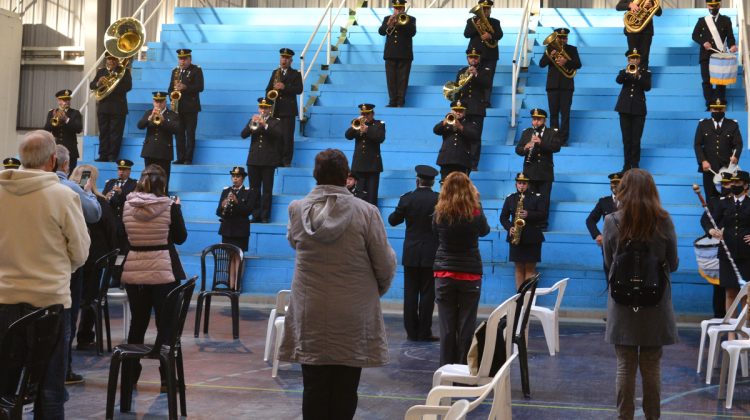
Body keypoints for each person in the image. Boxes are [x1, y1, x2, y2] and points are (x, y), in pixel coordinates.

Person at [279, 149, 396, 420]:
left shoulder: (297, 209)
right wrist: (372, 292)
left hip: (311, 310)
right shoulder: (367, 212)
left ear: (315, 175)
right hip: (353, 312)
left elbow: (294, 242)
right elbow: (385, 263)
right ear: (347, 176)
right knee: (346, 389)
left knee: (314, 387)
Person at [0, 130, 90, 419]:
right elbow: (80, 252)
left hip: (4, 300)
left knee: (4, 386)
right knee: (50, 390)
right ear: (53, 160)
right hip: (49, 303)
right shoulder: (63, 196)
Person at [602, 168, 678, 420]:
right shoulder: (663, 220)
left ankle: (624, 417)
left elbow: (609, 262)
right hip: (655, 303)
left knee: (624, 366)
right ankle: (652, 417)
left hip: (622, 302)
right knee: (652, 365)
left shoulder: (612, 220)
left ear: (624, 190)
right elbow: (673, 263)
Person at [121, 164, 187, 388]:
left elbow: (123, 236)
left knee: (137, 324)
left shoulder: (127, 204)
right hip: (162, 270)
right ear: (164, 183)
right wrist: (177, 210)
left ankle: (130, 376)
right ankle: (166, 378)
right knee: (165, 325)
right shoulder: (169, 205)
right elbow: (180, 238)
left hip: (135, 269)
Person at [54, 145, 101, 384]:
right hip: (66, 266)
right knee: (66, 319)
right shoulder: (70, 188)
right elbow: (94, 214)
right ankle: (64, 371)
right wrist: (89, 192)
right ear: (63, 164)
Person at [432, 171, 490, 366]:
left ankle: (445, 368)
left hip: (444, 272)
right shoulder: (475, 211)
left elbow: (434, 230)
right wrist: (477, 202)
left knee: (446, 326)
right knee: (466, 325)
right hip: (469, 274)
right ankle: (463, 368)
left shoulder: (440, 211)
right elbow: (485, 230)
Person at [388, 165, 440, 342]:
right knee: (427, 294)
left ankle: (411, 331)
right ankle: (424, 331)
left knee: (410, 293)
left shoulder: (407, 198)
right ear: (433, 182)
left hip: (411, 252)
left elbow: (393, 221)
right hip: (431, 252)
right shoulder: (438, 199)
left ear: (417, 181)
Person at [69, 165, 117, 351]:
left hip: (73, 260)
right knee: (90, 300)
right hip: (93, 261)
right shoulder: (100, 203)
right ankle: (85, 336)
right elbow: (111, 232)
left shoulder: (66, 198)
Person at [709, 170, 750, 314]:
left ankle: (745, 331)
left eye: (738, 182)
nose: (734, 185)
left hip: (747, 255)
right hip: (728, 254)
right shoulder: (723, 203)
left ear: (746, 185)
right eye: (732, 182)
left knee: (746, 295)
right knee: (730, 293)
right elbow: (710, 220)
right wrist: (712, 231)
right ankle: (732, 334)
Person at [515, 108, 561, 226]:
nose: (535, 122)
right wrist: (525, 147)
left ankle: (543, 223)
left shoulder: (552, 132)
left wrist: (541, 143)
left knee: (544, 200)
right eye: (534, 119)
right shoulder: (527, 132)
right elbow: (518, 150)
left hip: (545, 173)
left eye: (538, 120)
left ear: (544, 120)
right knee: (530, 200)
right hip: (529, 172)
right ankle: (530, 223)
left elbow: (556, 147)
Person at [500, 172, 546, 290]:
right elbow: (503, 217)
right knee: (518, 268)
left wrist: (528, 214)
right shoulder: (510, 198)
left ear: (528, 185)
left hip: (532, 238)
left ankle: (528, 300)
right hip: (516, 237)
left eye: (524, 183)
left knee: (530, 268)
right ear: (516, 184)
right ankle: (520, 298)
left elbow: (543, 215)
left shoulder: (537, 197)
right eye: (519, 183)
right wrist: (510, 226)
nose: (521, 186)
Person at [241, 97, 283, 223]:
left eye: (265, 108)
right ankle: (255, 214)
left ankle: (265, 216)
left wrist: (264, 125)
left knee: (267, 190)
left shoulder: (276, 122)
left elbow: (279, 135)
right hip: (254, 159)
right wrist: (251, 124)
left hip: (268, 160)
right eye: (261, 107)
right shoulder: (253, 120)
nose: (263, 110)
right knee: (254, 189)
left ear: (270, 109)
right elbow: (243, 135)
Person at [539, 28, 582, 146]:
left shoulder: (572, 49)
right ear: (556, 38)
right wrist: (549, 56)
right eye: (560, 38)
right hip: (552, 86)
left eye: (565, 38)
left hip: (566, 86)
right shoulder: (549, 49)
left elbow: (578, 64)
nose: (563, 40)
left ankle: (563, 139)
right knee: (553, 113)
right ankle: (554, 138)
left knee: (565, 114)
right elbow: (541, 64)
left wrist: (566, 62)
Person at [692, 0, 737, 109]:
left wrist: (732, 46)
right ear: (707, 6)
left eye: (715, 6)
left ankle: (719, 102)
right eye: (710, 6)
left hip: (720, 56)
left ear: (719, 5)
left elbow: (730, 37)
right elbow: (695, 35)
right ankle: (710, 103)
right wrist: (703, 42)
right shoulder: (702, 21)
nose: (712, 8)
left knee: (720, 80)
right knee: (707, 80)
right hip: (705, 56)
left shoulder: (726, 20)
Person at [694, 98, 743, 199]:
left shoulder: (732, 124)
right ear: (711, 109)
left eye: (720, 109)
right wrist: (703, 161)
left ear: (724, 109)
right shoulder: (703, 124)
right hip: (709, 168)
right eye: (715, 109)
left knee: (727, 197)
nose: (717, 111)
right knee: (710, 197)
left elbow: (738, 144)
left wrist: (736, 157)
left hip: (727, 168)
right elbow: (697, 144)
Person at [701, 172, 733, 319]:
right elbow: (705, 220)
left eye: (729, 183)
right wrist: (711, 230)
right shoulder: (715, 202)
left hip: (742, 250)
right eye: (724, 184)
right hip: (721, 250)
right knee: (720, 287)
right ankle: (720, 317)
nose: (727, 186)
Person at [454, 48, 492, 170]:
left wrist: (476, 74)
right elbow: (456, 89)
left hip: (477, 109)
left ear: (479, 58)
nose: (473, 59)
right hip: (462, 109)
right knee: (461, 135)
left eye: (476, 57)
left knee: (475, 137)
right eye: (471, 57)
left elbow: (487, 85)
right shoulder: (461, 71)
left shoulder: (485, 70)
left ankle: (473, 164)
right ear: (467, 58)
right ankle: (461, 161)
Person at [90, 53, 132, 162]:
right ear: (106, 60)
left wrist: (112, 84)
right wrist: (99, 82)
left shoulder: (124, 71)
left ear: (117, 60)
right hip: (103, 107)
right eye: (109, 59)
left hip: (118, 107)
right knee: (103, 132)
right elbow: (92, 85)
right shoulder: (101, 72)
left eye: (113, 59)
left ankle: (113, 156)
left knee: (116, 133)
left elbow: (128, 87)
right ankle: (103, 155)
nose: (111, 61)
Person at [266, 47, 303, 167]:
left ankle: (286, 161)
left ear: (291, 60)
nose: (284, 60)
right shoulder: (275, 72)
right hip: (276, 110)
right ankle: (276, 159)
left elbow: (299, 90)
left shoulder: (296, 74)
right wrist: (269, 101)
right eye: (283, 57)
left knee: (287, 137)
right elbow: (268, 90)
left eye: (287, 58)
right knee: (277, 136)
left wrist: (284, 87)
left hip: (288, 111)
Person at [616, 48, 651, 171]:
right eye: (632, 58)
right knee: (626, 139)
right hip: (624, 108)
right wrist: (627, 72)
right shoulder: (623, 71)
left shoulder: (645, 72)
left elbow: (648, 87)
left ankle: (635, 164)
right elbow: (618, 80)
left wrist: (639, 76)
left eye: (636, 58)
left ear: (640, 60)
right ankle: (626, 165)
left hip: (638, 109)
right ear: (628, 59)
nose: (634, 60)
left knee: (636, 139)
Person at [137, 91, 180, 192]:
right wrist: (149, 118)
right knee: (147, 177)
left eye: (161, 102)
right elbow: (140, 126)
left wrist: (163, 120)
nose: (158, 104)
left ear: (165, 102)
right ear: (153, 102)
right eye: (156, 102)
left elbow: (176, 129)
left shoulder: (172, 115)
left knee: (163, 178)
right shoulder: (148, 112)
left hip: (164, 152)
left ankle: (163, 197)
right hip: (149, 151)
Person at [344, 103, 386, 206]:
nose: (365, 116)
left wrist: (368, 130)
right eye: (363, 114)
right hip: (358, 165)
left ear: (372, 114)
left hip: (373, 166)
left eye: (367, 114)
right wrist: (356, 125)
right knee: (357, 197)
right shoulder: (357, 123)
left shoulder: (379, 124)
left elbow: (380, 138)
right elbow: (347, 136)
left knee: (371, 198)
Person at [169, 49, 204, 165]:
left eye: (184, 59)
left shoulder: (196, 70)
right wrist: (172, 97)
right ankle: (180, 157)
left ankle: (188, 158)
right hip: (177, 108)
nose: (182, 61)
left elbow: (200, 87)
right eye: (180, 59)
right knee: (178, 134)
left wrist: (186, 87)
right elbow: (170, 88)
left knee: (190, 134)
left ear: (190, 59)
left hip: (191, 108)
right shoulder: (175, 71)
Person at [378, 0, 416, 108]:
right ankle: (392, 101)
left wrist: (400, 22)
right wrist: (389, 23)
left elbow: (412, 32)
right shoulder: (387, 18)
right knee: (391, 79)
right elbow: (381, 32)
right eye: (396, 8)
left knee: (403, 79)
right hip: (390, 53)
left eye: (400, 8)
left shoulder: (410, 19)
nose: (398, 10)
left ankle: (400, 101)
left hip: (404, 54)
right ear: (393, 8)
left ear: (404, 8)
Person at [463, 0, 502, 106]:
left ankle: (486, 100)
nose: (485, 11)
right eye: (483, 9)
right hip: (474, 55)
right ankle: (474, 100)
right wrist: (477, 27)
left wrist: (490, 35)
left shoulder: (495, 22)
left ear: (490, 10)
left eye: (487, 9)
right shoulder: (471, 21)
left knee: (488, 77)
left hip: (490, 54)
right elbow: (466, 34)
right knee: (473, 75)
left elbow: (499, 35)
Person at [434, 100, 481, 181]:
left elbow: (475, 135)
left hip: (462, 160)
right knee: (445, 183)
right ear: (451, 111)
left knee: (461, 186)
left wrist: (460, 127)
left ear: (465, 112)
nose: (458, 113)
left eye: (460, 111)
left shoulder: (470, 124)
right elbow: (436, 130)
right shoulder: (447, 122)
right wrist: (444, 123)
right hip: (446, 159)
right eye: (455, 111)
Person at [103, 159, 138, 256]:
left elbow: (132, 201)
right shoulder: (110, 182)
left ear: (129, 171)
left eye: (124, 170)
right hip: (111, 221)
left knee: (122, 251)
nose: (121, 172)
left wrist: (121, 193)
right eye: (119, 169)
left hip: (124, 222)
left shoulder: (134, 184)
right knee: (111, 249)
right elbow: (103, 198)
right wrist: (106, 197)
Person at [44, 89, 83, 172]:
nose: (66, 102)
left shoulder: (75, 113)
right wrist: (54, 120)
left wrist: (66, 119)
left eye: (68, 99)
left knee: (69, 173)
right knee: (54, 172)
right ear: (58, 101)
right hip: (56, 150)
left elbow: (79, 129)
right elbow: (46, 129)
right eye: (64, 100)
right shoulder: (52, 113)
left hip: (70, 150)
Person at [615, 0, 661, 70]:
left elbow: (659, 13)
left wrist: (651, 5)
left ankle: (643, 76)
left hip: (646, 31)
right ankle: (632, 77)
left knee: (644, 57)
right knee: (633, 57)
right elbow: (618, 6)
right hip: (632, 31)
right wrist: (630, 4)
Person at [217, 166, 253, 251]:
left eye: (238, 177)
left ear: (243, 178)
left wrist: (237, 202)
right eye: (233, 177)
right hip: (227, 230)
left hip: (240, 231)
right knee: (228, 257)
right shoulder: (226, 191)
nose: (235, 179)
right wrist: (222, 206)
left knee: (238, 257)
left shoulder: (249, 192)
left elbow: (248, 211)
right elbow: (218, 212)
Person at [586, 172, 623, 247]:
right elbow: (590, 220)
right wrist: (597, 235)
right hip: (609, 244)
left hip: (625, 243)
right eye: (613, 183)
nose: (615, 185)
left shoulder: (630, 201)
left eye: (618, 183)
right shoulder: (603, 201)